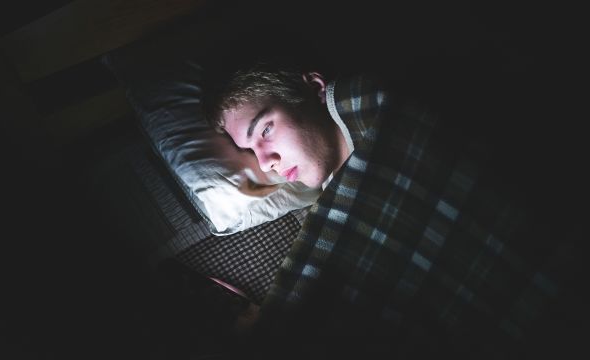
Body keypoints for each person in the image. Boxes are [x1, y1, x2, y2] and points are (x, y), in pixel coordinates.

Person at [201, 61, 584, 359]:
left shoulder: (391, 110)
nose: (266, 162)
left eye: (265, 130)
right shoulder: (333, 209)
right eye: (251, 152)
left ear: (314, 88)